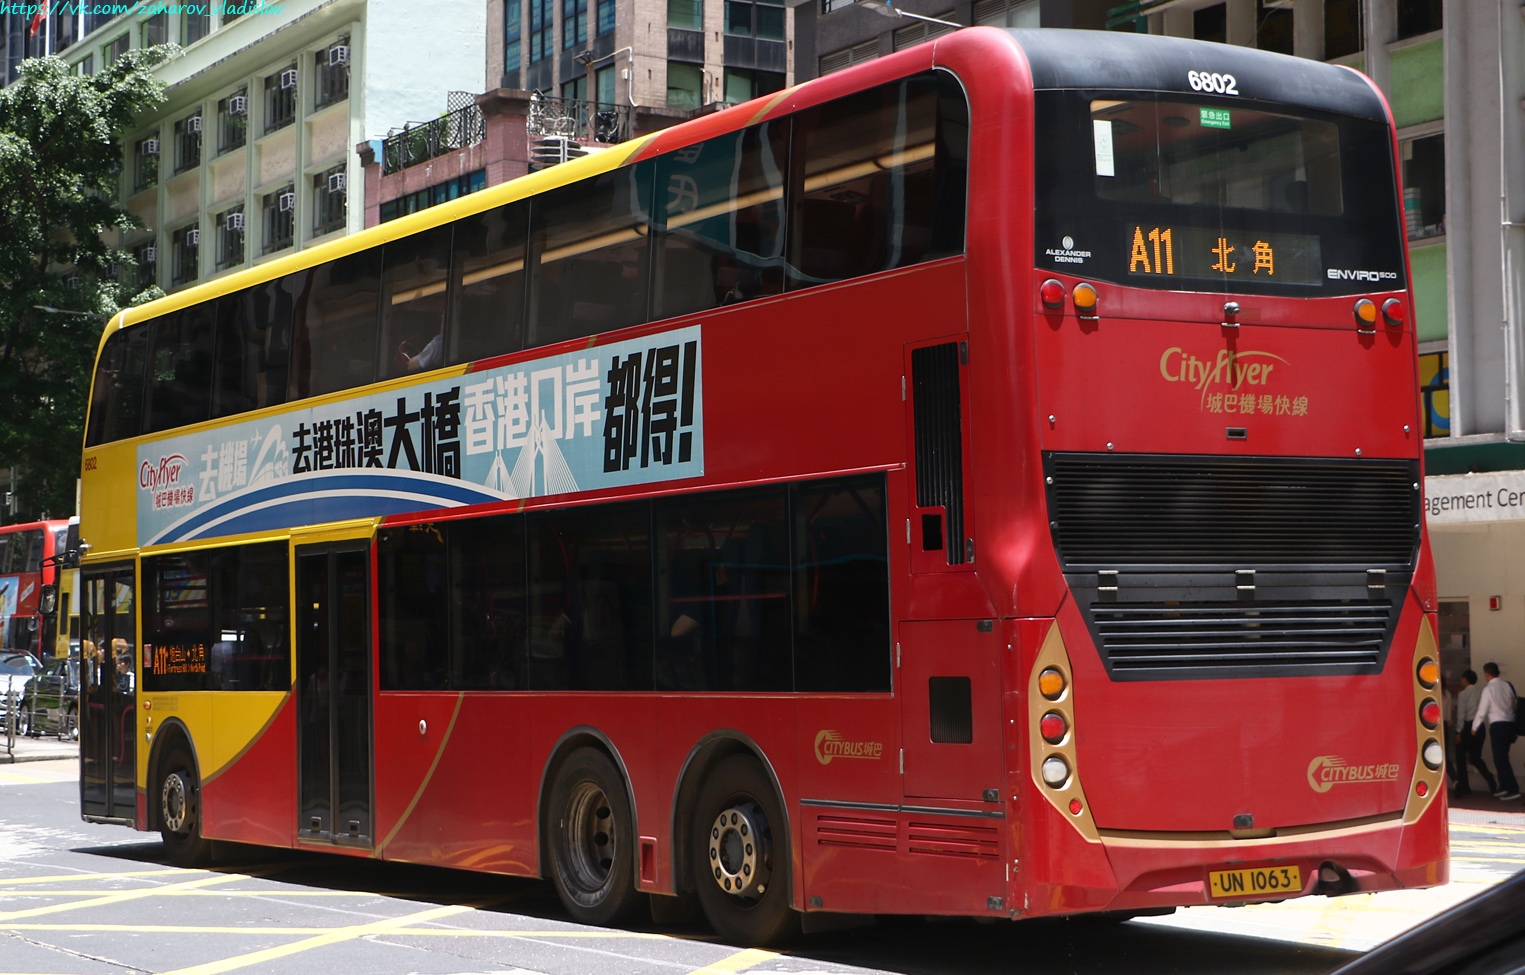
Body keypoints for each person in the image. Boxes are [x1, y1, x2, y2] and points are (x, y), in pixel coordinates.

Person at [1471, 662, 1519, 800]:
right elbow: (1514, 704)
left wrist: (1475, 727)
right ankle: (1504, 786)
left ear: (1487, 674)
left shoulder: (1488, 689)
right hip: (1510, 725)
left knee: (1500, 758)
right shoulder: (1507, 686)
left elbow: (1482, 710)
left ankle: (1512, 788)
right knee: (1503, 757)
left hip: (1497, 726)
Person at [1455, 669, 1497, 797]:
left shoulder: (1463, 694)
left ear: (1466, 679)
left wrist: (1458, 732)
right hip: (1480, 727)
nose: (1461, 681)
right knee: (1475, 757)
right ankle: (1490, 779)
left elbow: (1461, 714)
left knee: (1460, 756)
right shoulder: (1481, 691)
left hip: (1467, 727)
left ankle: (1465, 787)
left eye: (1462, 678)